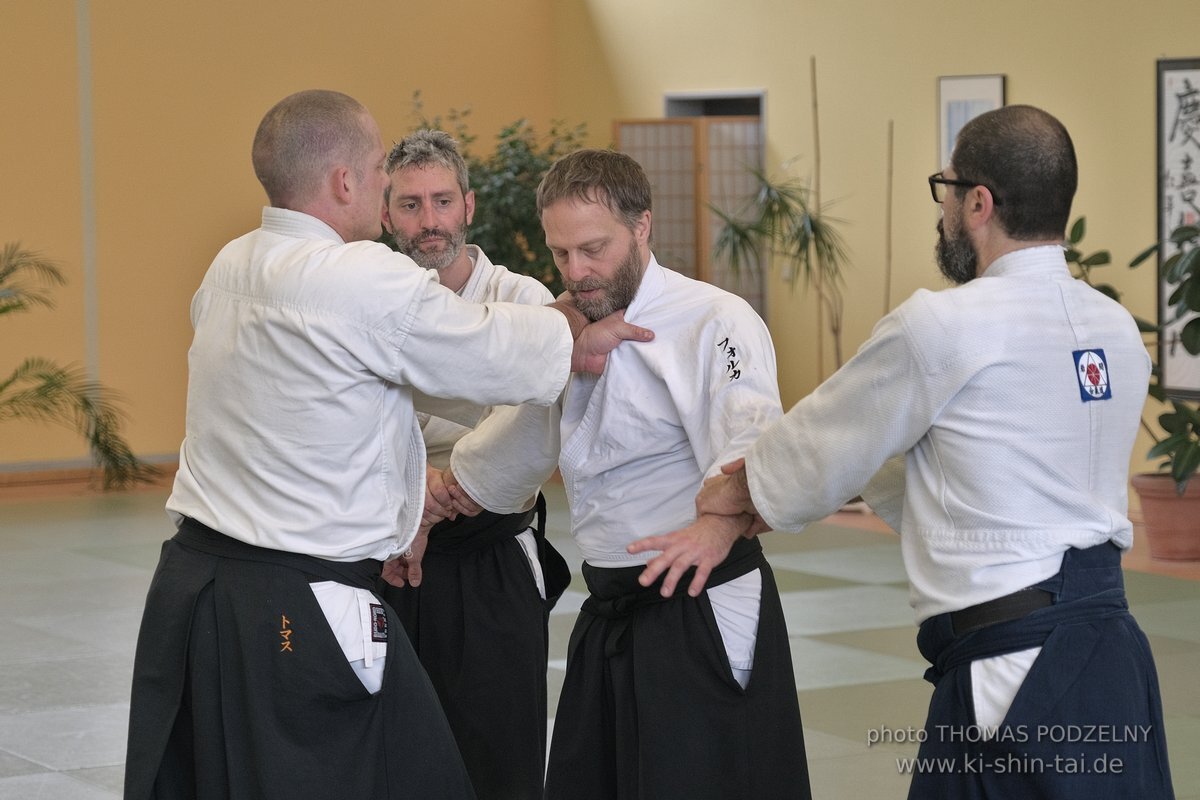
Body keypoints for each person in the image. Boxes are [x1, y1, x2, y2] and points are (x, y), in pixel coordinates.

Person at [634, 105, 1175, 799]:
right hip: (1112, 658)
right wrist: (795, 493)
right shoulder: (1118, 332)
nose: (943, 211)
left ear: (978, 203)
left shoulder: (944, 326)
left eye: (946, 190)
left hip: (1013, 673)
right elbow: (955, 462)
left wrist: (732, 497)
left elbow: (824, 439)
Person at [122, 90, 651, 800]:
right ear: (345, 181)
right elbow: (494, 352)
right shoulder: (361, 278)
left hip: (197, 589)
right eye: (380, 172)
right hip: (300, 595)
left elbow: (383, 378)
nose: (388, 191)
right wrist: (581, 316)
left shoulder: (231, 266)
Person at [444, 148, 811, 800]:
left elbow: (753, 438)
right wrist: (441, 494)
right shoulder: (561, 330)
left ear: (642, 226)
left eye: (594, 249)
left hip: (699, 601)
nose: (577, 271)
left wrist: (717, 526)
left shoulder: (712, 320)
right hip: (610, 604)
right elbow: (511, 448)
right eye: (561, 254)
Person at [378, 129, 570, 800]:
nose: (428, 223)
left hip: (488, 547)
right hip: (390, 549)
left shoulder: (524, 301)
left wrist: (445, 486)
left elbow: (535, 419)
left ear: (469, 205)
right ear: (384, 214)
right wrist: (412, 486)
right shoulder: (369, 297)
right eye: (409, 205)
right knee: (389, 752)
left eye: (441, 202)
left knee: (498, 753)